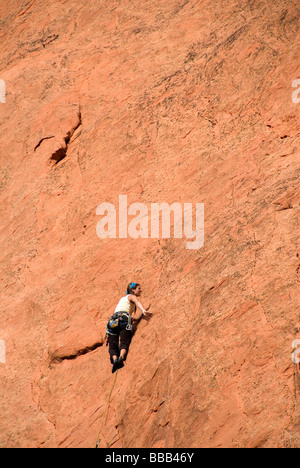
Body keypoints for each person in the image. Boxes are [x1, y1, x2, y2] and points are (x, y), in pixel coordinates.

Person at [106, 283, 151, 373]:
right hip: (124, 320)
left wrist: (137, 319)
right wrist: (143, 310)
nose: (140, 290)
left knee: (112, 345)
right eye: (138, 288)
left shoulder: (123, 299)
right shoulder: (131, 296)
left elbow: (122, 310)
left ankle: (115, 359)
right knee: (124, 341)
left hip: (113, 321)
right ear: (133, 290)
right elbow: (137, 302)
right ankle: (121, 358)